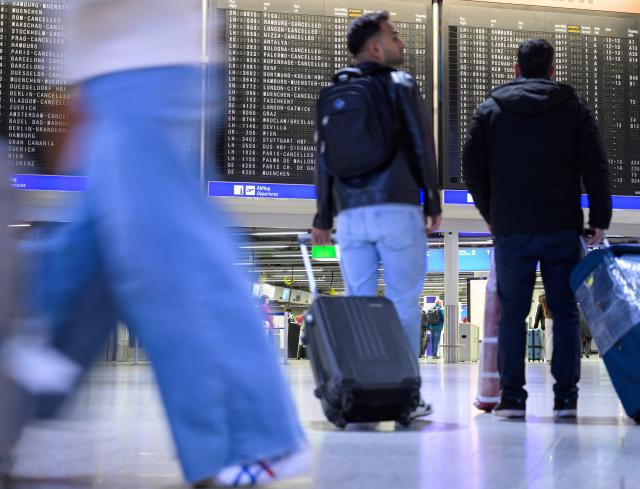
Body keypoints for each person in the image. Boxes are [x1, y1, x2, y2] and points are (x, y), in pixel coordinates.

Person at [0, 1, 309, 486]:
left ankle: (254, 438)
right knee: (79, 269)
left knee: (172, 260)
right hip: (114, 76)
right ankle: (20, 419)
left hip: (144, 70)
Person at [462, 38, 612, 419]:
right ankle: (566, 399)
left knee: (513, 312)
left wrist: (492, 214)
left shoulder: (490, 109)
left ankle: (512, 398)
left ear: (516, 69)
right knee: (564, 310)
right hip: (562, 225)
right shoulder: (573, 108)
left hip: (512, 227)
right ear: (552, 71)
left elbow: (472, 171)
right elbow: (595, 166)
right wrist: (599, 219)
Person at [311, 11, 442, 420]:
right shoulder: (399, 85)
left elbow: (324, 160)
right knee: (403, 303)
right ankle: (407, 396)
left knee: (359, 305)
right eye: (394, 36)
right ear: (375, 47)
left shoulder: (333, 92)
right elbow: (422, 142)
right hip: (395, 208)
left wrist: (322, 217)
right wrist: (432, 201)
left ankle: (363, 392)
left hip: (350, 216)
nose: (401, 43)